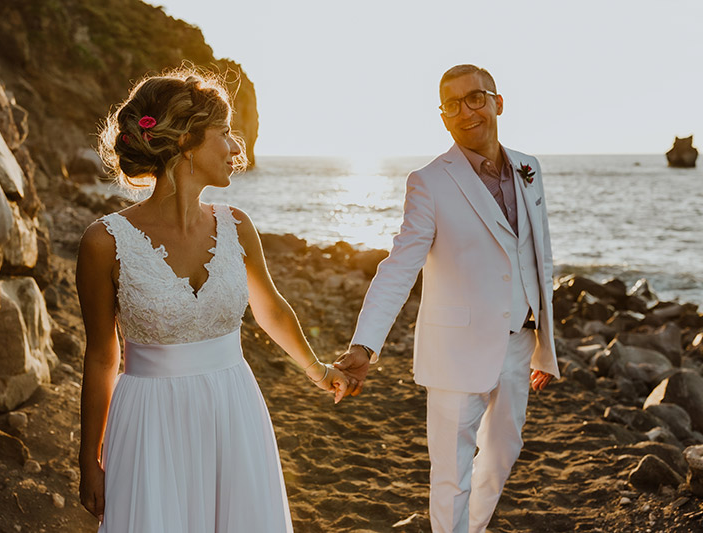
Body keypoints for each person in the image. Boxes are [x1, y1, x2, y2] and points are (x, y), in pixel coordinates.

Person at [76, 68, 347, 533]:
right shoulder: (104, 242)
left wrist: (318, 370)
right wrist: (89, 459)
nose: (236, 148)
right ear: (186, 143)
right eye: (224, 134)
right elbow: (103, 355)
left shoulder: (236, 225)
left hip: (233, 406)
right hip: (149, 420)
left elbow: (270, 309)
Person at [334, 64, 560, 533]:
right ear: (443, 117)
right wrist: (364, 345)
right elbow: (399, 266)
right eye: (452, 104)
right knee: (451, 476)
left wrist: (545, 344)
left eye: (475, 98)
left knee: (500, 458)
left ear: (498, 102)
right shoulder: (430, 181)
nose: (465, 111)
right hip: (455, 350)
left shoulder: (529, 167)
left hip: (519, 342)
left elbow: (539, 254)